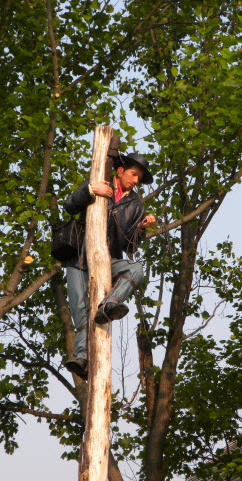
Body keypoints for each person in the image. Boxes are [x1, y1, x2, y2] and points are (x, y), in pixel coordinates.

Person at [63, 153, 156, 380]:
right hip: (79, 257)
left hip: (109, 260)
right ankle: (82, 358)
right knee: (80, 309)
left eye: (139, 178)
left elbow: (130, 247)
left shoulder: (136, 204)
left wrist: (142, 228)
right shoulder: (97, 181)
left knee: (137, 269)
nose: (135, 181)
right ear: (120, 170)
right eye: (134, 174)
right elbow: (68, 205)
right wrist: (90, 191)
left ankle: (109, 305)